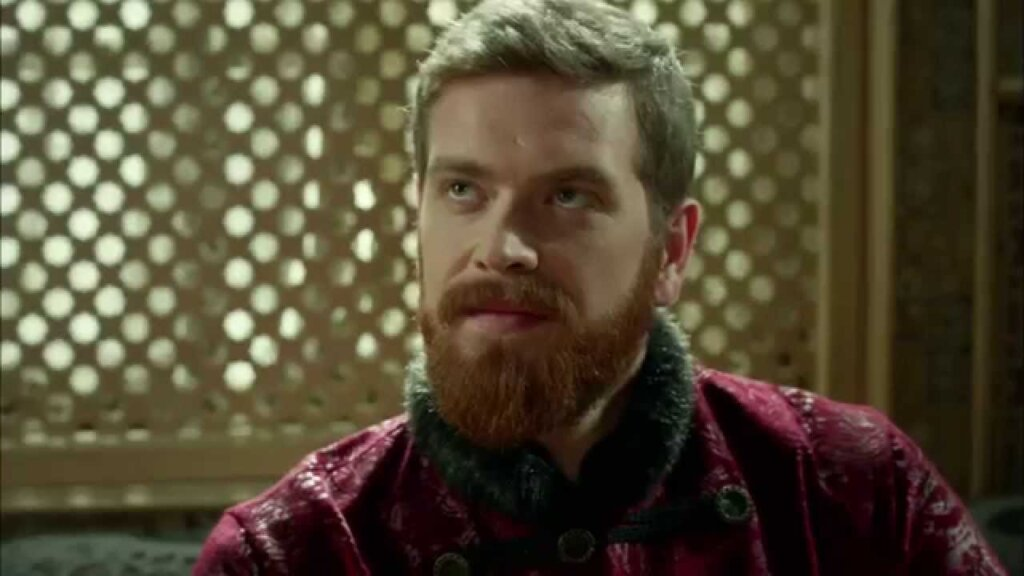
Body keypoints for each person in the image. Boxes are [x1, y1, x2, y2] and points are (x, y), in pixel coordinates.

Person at [194, 0, 1007, 574]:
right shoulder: (293, 552)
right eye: (463, 190)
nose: (502, 250)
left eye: (569, 197)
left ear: (671, 250)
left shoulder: (852, 490)